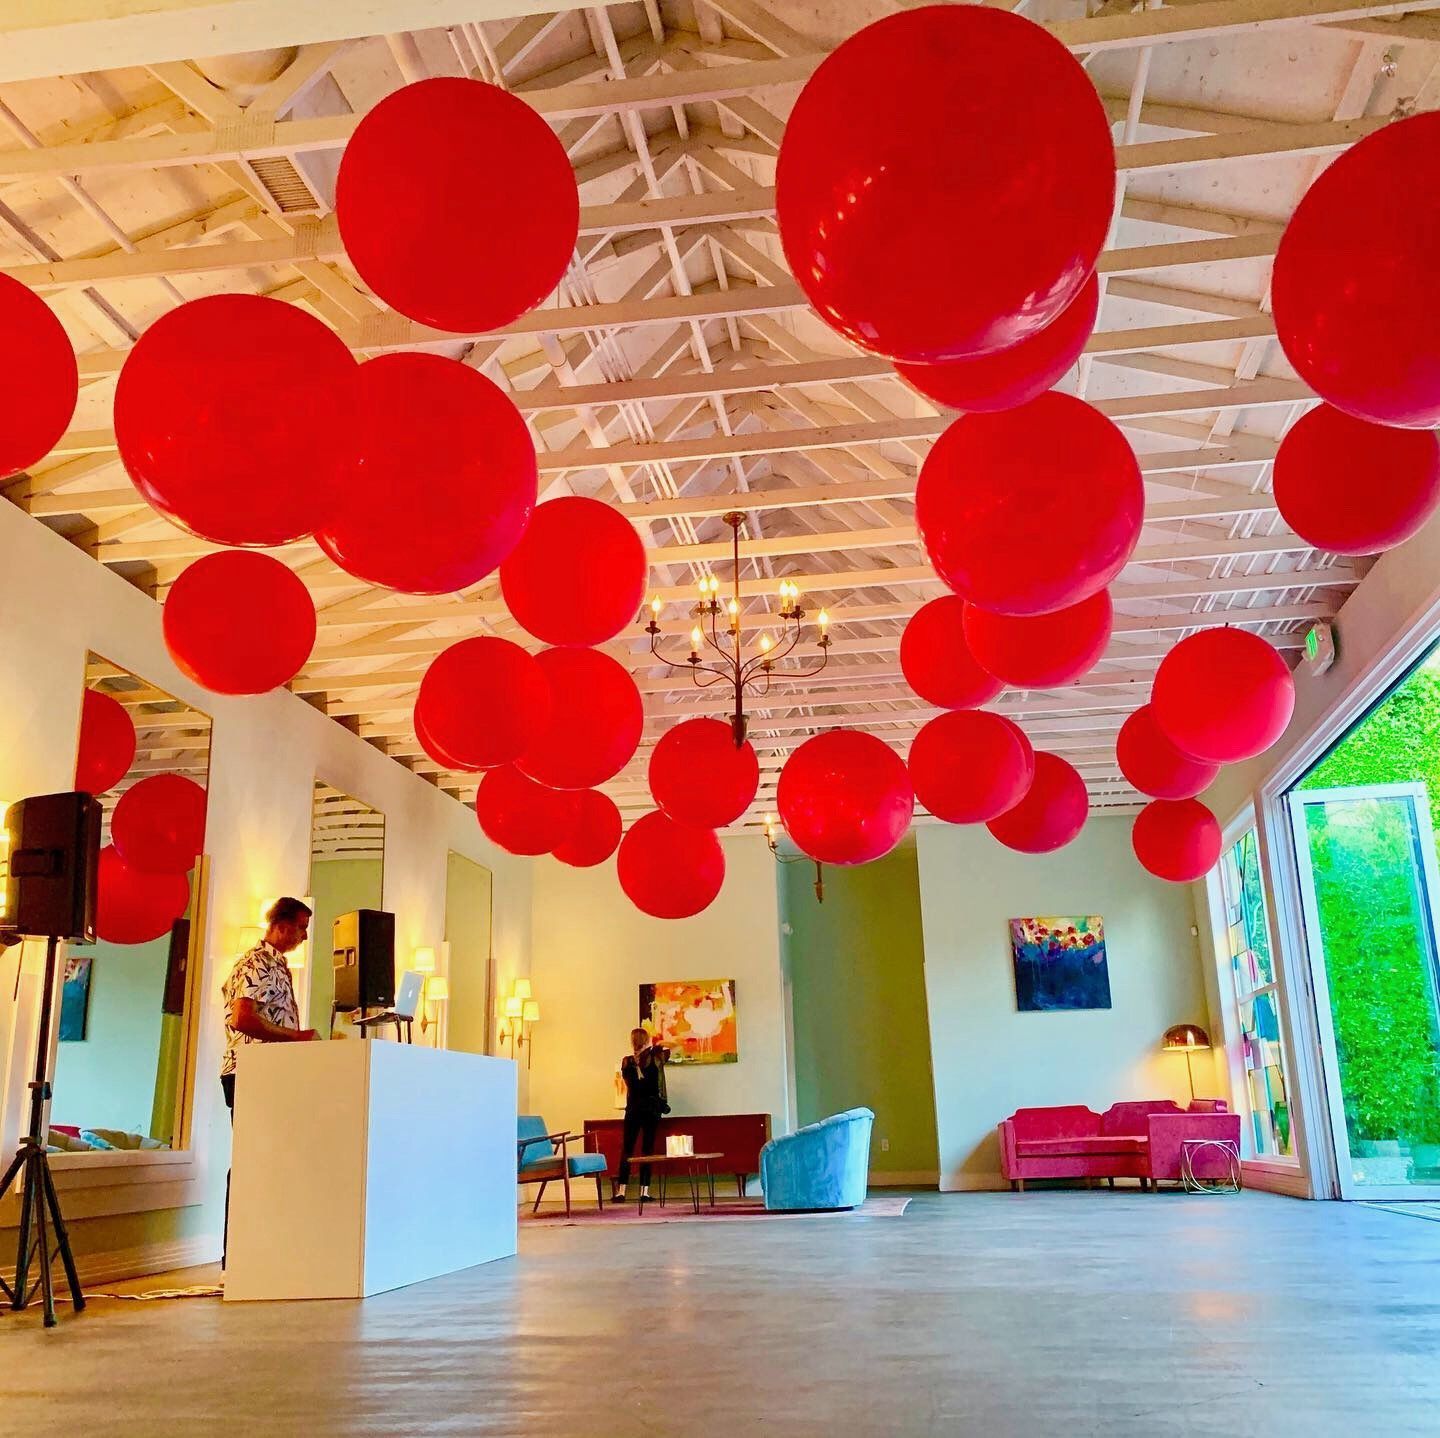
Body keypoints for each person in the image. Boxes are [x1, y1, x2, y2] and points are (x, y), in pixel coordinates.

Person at [220, 897, 319, 1116]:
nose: (305, 936)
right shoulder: (257, 963)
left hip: (267, 1070)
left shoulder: (277, 964)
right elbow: (241, 1019)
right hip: (253, 1071)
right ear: (282, 925)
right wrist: (296, 1037)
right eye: (302, 927)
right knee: (256, 1147)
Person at [612, 1027, 669, 1202]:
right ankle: (644, 1192)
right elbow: (670, 1049)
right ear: (646, 1040)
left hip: (633, 1110)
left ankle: (621, 1191)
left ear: (632, 1042)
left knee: (627, 1150)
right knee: (647, 1149)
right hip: (651, 1109)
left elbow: (631, 1084)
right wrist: (653, 1046)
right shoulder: (656, 1057)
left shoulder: (626, 1062)